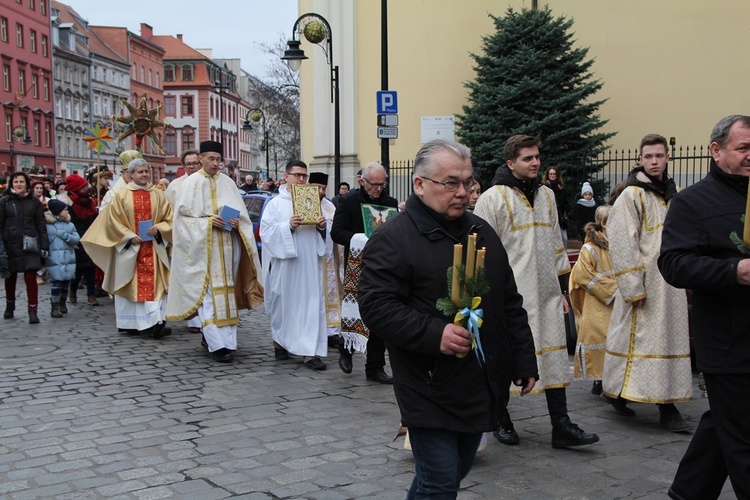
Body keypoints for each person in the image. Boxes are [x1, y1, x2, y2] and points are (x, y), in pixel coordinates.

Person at [358, 139, 538, 498]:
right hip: (427, 382)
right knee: (440, 481)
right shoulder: (393, 238)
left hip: (481, 376)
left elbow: (508, 301)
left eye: (468, 183)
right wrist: (434, 333)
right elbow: (376, 306)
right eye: (450, 183)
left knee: (451, 472)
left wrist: (523, 357)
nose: (463, 192)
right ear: (420, 184)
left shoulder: (481, 232)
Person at [474, 134, 599, 448]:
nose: (535, 162)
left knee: (555, 355)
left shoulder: (546, 196)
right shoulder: (492, 198)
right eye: (527, 158)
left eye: (537, 157)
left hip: (545, 294)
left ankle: (561, 425)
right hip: (510, 296)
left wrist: (562, 291)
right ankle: (501, 419)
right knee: (504, 358)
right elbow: (481, 252)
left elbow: (557, 245)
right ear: (510, 162)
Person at [659, 115, 750, 499]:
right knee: (745, 438)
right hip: (728, 341)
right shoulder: (692, 202)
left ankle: (689, 493)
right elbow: (673, 263)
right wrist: (734, 271)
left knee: (726, 424)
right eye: (744, 148)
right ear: (716, 151)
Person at [602, 133, 692, 431]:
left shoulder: (674, 194)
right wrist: (632, 286)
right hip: (645, 282)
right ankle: (660, 406)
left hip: (671, 280)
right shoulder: (631, 194)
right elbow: (622, 242)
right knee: (636, 337)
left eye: (659, 156)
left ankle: (658, 397)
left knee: (668, 339)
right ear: (640, 159)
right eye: (649, 156)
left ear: (667, 158)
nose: (654, 161)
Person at [166, 141, 263, 363]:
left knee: (226, 295)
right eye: (211, 159)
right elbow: (181, 222)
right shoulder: (190, 184)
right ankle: (216, 344)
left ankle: (227, 343)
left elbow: (244, 218)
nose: (216, 163)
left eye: (219, 159)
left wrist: (237, 221)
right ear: (201, 159)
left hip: (229, 250)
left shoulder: (228, 183)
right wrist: (209, 222)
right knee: (209, 296)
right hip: (204, 253)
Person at [81, 158, 173, 338]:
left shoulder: (158, 195)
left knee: (155, 287)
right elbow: (112, 222)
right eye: (140, 172)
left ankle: (155, 323)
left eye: (146, 171)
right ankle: (131, 323)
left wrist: (160, 229)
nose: (145, 175)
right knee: (130, 286)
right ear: (131, 174)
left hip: (153, 249)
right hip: (131, 249)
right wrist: (129, 236)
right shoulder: (121, 195)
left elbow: (169, 219)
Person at [331, 161, 398, 384]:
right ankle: (346, 348)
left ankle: (375, 367)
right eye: (374, 185)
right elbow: (337, 232)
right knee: (356, 310)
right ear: (362, 181)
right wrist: (359, 238)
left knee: (379, 314)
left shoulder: (390, 203)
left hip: (382, 266)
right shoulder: (348, 202)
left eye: (382, 184)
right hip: (357, 265)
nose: (378, 189)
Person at [260, 161, 329, 370]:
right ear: (286, 176)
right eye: (297, 175)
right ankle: (280, 342)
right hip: (286, 265)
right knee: (284, 305)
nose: (301, 180)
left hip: (308, 264)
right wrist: (287, 226)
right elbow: (266, 233)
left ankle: (310, 353)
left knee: (311, 305)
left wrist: (321, 227)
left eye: (304, 176)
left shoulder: (313, 200)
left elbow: (324, 237)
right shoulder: (275, 204)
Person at [569, 205, 616, 396]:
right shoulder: (589, 248)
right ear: (603, 223)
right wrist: (616, 289)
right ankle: (599, 379)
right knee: (601, 339)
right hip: (597, 304)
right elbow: (583, 275)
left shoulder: (621, 244)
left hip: (617, 304)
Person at [0, 172, 50, 323]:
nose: (19, 184)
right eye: (16, 181)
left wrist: (44, 244)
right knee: (10, 277)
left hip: (30, 243)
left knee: (30, 277)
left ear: (27, 184)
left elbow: (41, 225)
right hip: (11, 244)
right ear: (11, 184)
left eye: (21, 181)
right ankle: (10, 306)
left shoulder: (33, 201)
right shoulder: (5, 201)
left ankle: (33, 310)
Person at [164, 148, 203, 335]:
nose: (192, 167)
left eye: (195, 163)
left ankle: (207, 316)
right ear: (183, 166)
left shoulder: (209, 181)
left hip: (205, 239)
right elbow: (168, 213)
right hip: (183, 240)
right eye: (188, 164)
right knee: (187, 280)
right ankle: (192, 318)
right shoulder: (175, 186)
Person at [310, 172, 345, 347]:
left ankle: (332, 331)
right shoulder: (305, 204)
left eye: (324, 188)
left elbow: (337, 229)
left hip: (329, 257)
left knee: (331, 292)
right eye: (318, 187)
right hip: (312, 258)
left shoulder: (330, 206)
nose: (321, 191)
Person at [65, 173, 99, 306]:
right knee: (78, 269)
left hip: (90, 237)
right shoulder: (69, 202)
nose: (86, 189)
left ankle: (91, 295)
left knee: (90, 268)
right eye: (83, 187)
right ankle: (72, 292)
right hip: (76, 238)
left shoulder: (89, 201)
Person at [44, 199, 79, 318]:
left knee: (65, 283)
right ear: (57, 211)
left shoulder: (70, 225)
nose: (67, 211)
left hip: (68, 258)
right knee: (56, 283)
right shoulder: (48, 226)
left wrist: (66, 236)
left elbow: (76, 238)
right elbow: (44, 240)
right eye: (64, 210)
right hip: (54, 258)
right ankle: (55, 307)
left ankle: (63, 303)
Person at [542, 166, 570, 248]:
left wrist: (568, 211)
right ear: (548, 175)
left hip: (560, 216)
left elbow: (565, 202)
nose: (552, 175)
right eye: (550, 174)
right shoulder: (544, 187)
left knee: (564, 238)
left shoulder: (561, 187)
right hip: (549, 216)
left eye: (554, 174)